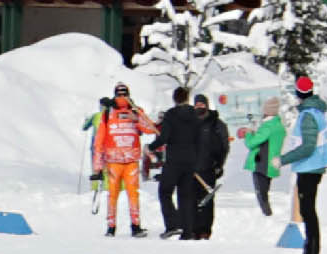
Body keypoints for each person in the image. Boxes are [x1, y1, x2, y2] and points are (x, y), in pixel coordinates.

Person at [154, 84, 226, 241]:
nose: (199, 106)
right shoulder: (192, 119)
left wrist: (219, 165)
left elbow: (164, 137)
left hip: (191, 164)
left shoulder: (172, 115)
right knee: (187, 197)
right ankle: (188, 231)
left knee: (170, 193)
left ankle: (189, 228)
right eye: (197, 103)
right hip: (190, 164)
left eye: (202, 104)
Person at [284, 74, 327, 254]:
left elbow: (307, 147)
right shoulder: (316, 113)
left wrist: (284, 160)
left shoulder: (308, 116)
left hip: (309, 166)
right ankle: (310, 252)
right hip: (313, 166)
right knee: (307, 210)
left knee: (307, 211)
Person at [89, 85, 150, 236]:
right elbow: (99, 141)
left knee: (132, 194)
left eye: (125, 94)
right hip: (114, 160)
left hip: (131, 159)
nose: (122, 97)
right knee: (113, 194)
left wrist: (137, 118)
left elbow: (149, 128)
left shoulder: (136, 110)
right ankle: (111, 227)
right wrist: (97, 167)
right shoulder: (107, 114)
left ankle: (135, 226)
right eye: (119, 94)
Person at [242, 99, 285, 216]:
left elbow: (251, 143)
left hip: (261, 163)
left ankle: (267, 216)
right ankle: (267, 215)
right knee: (265, 192)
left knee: (261, 195)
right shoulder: (279, 126)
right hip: (271, 165)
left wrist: (249, 133)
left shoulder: (267, 127)